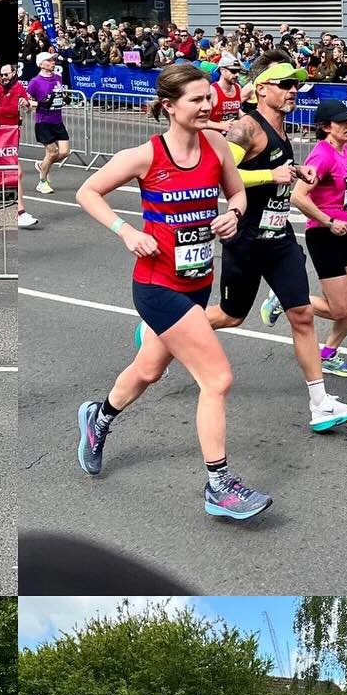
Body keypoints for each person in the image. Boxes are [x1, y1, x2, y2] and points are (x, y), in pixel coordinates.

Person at [73, 64, 271, 521]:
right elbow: (88, 191)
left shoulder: (218, 146)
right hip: (157, 284)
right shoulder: (144, 155)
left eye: (209, 98)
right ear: (169, 106)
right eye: (196, 100)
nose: (208, 106)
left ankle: (97, 420)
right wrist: (125, 230)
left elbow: (237, 194)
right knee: (217, 378)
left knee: (147, 370)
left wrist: (233, 215)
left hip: (198, 280)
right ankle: (219, 485)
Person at [209, 56, 347, 431]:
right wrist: (271, 173)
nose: (293, 91)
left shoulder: (282, 130)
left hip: (279, 238)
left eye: (295, 85)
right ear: (261, 88)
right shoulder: (247, 128)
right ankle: (164, 327)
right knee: (231, 315)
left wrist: (295, 172)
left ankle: (320, 404)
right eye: (285, 84)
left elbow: (278, 177)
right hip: (246, 239)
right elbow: (221, 176)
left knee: (303, 315)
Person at [290, 98, 347, 379]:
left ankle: (327, 353)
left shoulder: (345, 149)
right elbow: (298, 196)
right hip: (323, 234)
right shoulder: (322, 156)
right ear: (326, 127)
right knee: (341, 309)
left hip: (345, 231)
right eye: (342, 122)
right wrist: (329, 221)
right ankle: (285, 298)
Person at [29, 53, 70, 194]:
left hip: (57, 120)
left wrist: (65, 97)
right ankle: (42, 182)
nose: (53, 62)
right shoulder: (35, 82)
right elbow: (25, 101)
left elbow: (60, 93)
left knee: (64, 152)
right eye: (49, 60)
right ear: (41, 64)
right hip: (43, 121)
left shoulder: (58, 77)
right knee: (52, 152)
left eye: (54, 60)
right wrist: (40, 103)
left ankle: (42, 165)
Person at [206, 53, 246, 131]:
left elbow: (236, 110)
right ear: (222, 70)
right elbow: (201, 121)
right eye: (233, 71)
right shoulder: (212, 90)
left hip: (232, 137)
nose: (237, 74)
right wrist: (221, 125)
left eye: (238, 71)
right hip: (214, 137)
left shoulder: (238, 87)